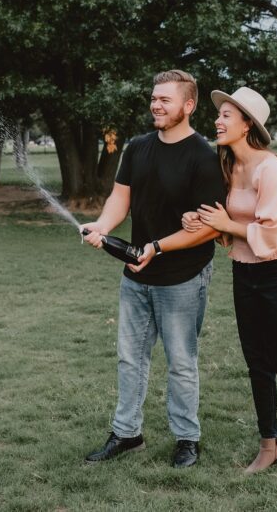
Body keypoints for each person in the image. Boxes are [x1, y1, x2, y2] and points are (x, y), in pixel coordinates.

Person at [80, 70, 226, 468]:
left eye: (165, 99)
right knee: (130, 359)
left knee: (181, 363)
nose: (156, 105)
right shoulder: (137, 147)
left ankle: (187, 439)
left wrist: (157, 248)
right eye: (153, 98)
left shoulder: (204, 158)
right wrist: (102, 226)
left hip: (183, 278)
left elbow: (208, 229)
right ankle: (127, 433)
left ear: (188, 106)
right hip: (136, 275)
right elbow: (120, 198)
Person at [183, 86, 277, 474]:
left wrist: (226, 224)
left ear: (246, 125)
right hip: (244, 272)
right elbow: (224, 224)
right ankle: (269, 444)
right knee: (256, 362)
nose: (217, 121)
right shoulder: (227, 167)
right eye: (219, 115)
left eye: (226, 115)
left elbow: (270, 233)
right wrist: (200, 220)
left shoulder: (270, 168)